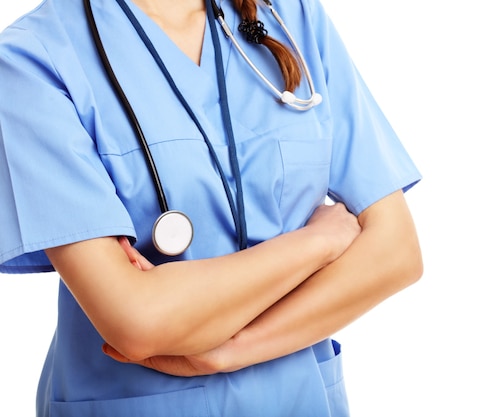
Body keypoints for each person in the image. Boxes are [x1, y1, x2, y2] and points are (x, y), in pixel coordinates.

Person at [0, 0, 423, 415]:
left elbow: (396, 253)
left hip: (302, 397)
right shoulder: (34, 56)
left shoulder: (288, 15)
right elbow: (135, 321)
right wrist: (320, 241)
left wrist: (234, 349)